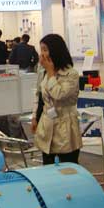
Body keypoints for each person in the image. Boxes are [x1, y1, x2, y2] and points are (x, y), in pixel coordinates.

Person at [32, 34, 82, 165]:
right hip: (47, 124)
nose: (42, 54)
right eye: (41, 50)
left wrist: (50, 73)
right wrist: (34, 117)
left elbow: (59, 95)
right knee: (48, 165)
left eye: (45, 50)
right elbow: (38, 95)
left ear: (55, 50)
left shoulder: (71, 74)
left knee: (68, 165)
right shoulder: (43, 72)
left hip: (65, 126)